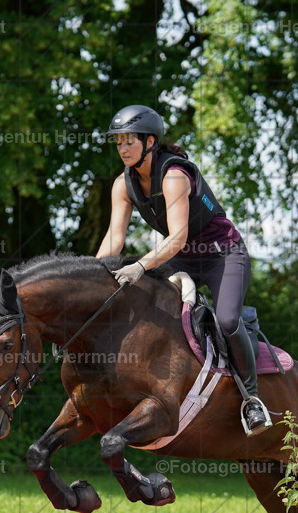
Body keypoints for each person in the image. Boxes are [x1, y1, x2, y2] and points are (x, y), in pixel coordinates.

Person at [95, 104, 271, 436]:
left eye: (129, 141)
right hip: (184, 257)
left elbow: (177, 237)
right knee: (147, 303)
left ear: (150, 142)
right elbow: (114, 238)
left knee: (229, 321)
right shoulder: (123, 184)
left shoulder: (174, 176)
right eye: (118, 142)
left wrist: (140, 266)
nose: (123, 148)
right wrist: (91, 276)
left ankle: (252, 400)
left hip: (223, 254)